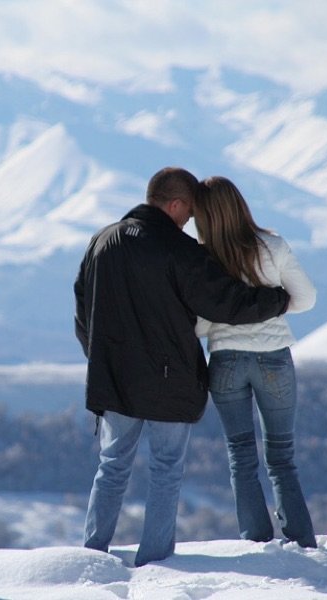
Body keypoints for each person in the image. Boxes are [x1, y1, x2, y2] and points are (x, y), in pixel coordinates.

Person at [74, 167, 292, 567]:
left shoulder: (101, 241)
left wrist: (104, 359)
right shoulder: (179, 250)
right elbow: (226, 302)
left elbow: (83, 314)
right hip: (168, 383)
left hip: (115, 380)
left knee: (112, 467)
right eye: (189, 213)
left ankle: (92, 555)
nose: (190, 221)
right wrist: (278, 300)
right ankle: (155, 561)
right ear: (175, 204)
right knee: (165, 471)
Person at [193, 175, 317, 548]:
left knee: (240, 454)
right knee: (282, 457)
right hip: (273, 359)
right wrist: (275, 302)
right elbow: (307, 298)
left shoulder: (203, 258)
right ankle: (300, 541)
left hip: (226, 361)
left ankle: (256, 541)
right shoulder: (273, 245)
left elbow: (199, 325)